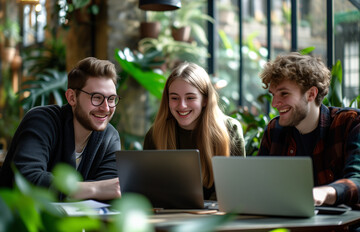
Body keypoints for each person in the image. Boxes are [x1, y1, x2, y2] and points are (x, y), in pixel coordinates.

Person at [0, 57, 122, 201]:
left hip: (76, 224)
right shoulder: (41, 121)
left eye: (111, 99)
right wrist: (96, 188)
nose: (106, 108)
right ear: (71, 98)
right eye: (96, 98)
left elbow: (109, 195)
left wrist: (94, 190)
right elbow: (27, 180)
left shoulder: (110, 137)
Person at [258, 52, 360, 207]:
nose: (274, 103)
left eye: (284, 94)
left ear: (311, 94)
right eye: (273, 95)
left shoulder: (350, 123)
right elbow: (260, 185)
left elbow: (357, 180)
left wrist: (324, 193)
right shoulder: (274, 130)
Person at [143, 62, 246, 200]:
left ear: (205, 100)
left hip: (216, 216)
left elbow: (237, 188)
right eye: (174, 98)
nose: (182, 105)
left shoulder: (230, 129)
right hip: (169, 215)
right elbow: (148, 190)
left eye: (190, 97)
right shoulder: (155, 134)